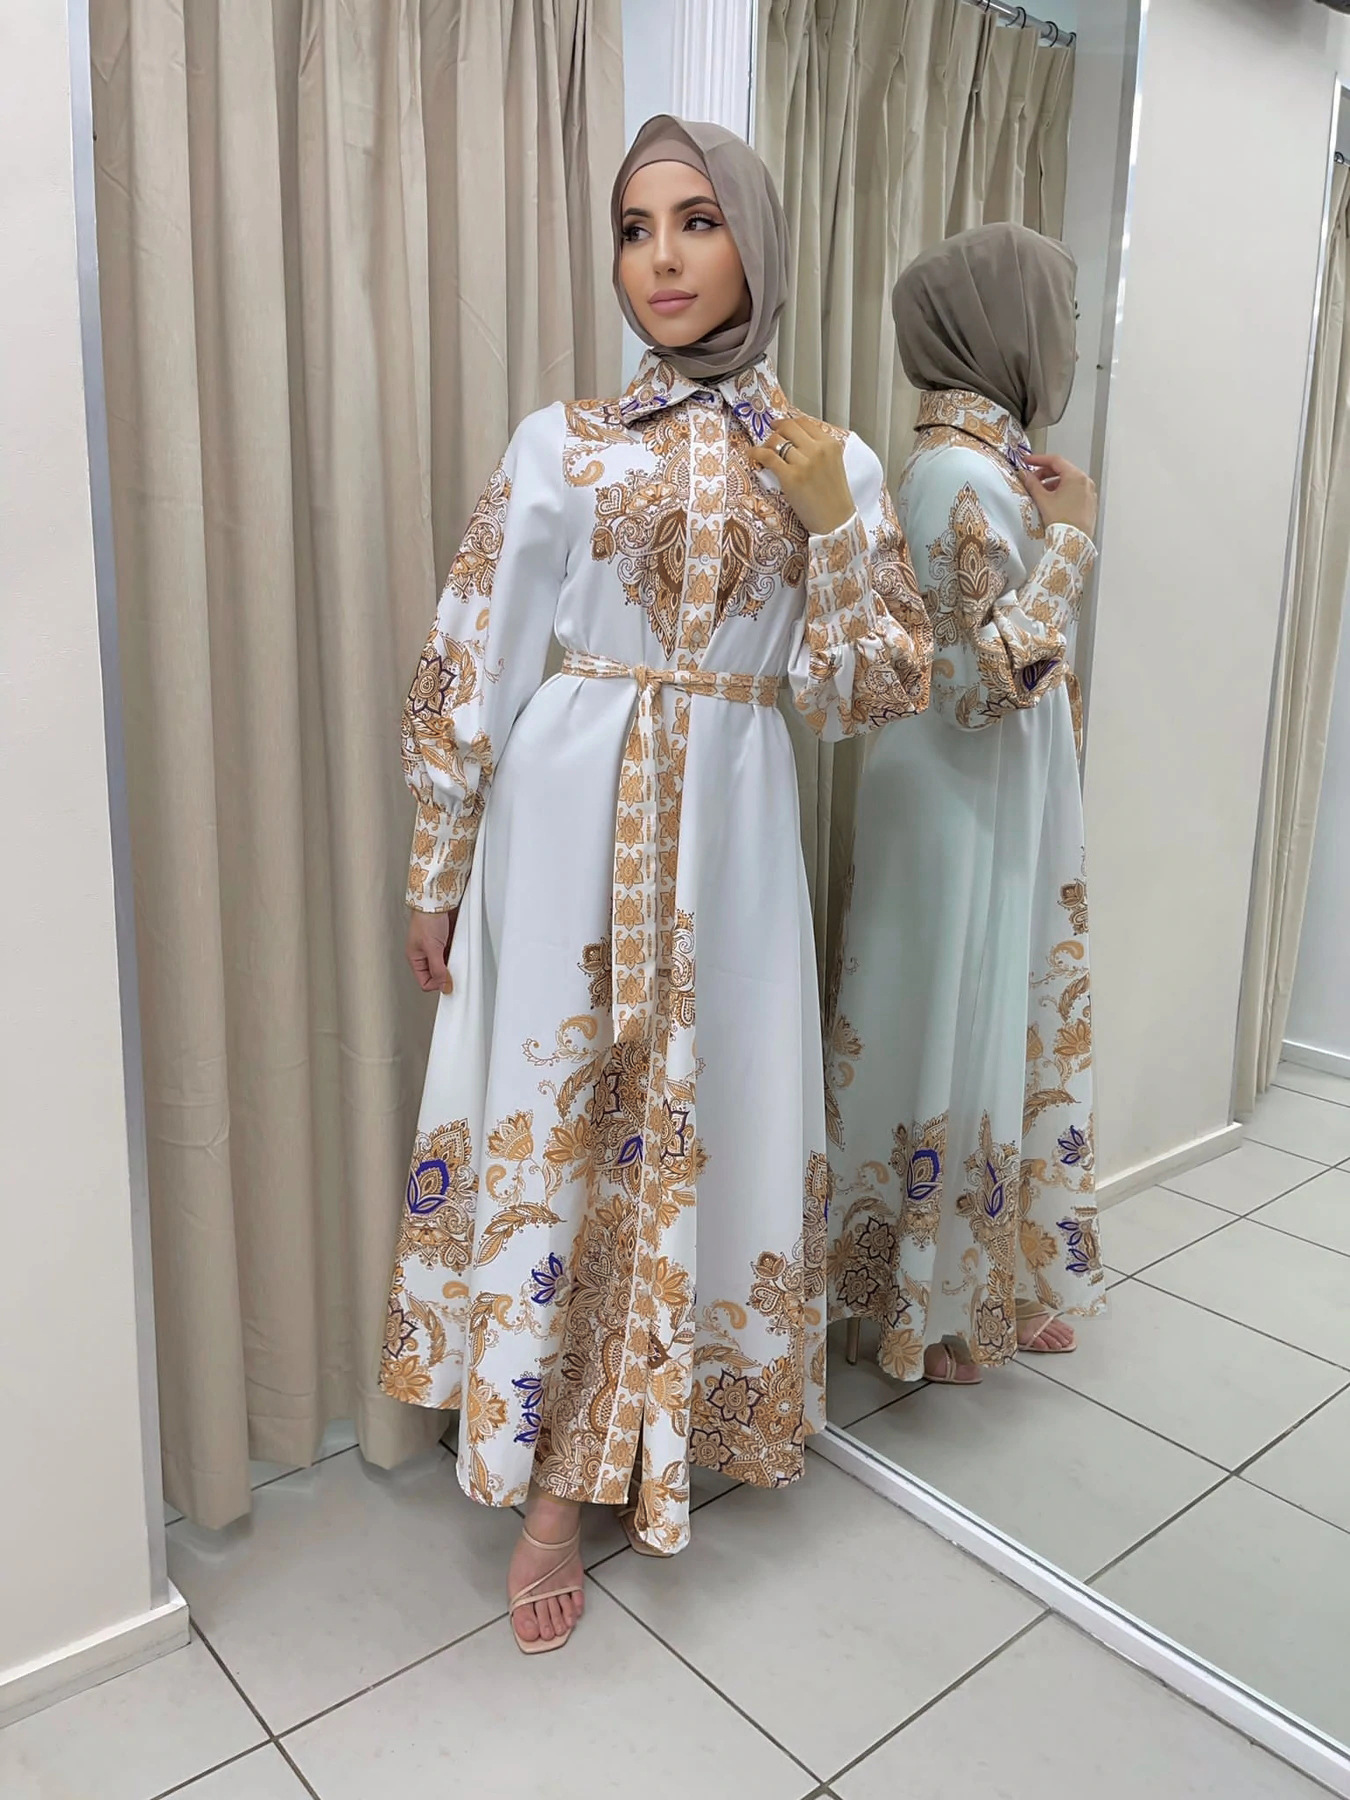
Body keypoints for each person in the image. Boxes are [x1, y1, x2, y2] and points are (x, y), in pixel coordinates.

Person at [379, 114, 931, 1653]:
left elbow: (871, 690)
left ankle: (654, 1438)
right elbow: (470, 657)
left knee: (703, 1123)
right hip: (559, 828)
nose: (663, 258)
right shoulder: (559, 443)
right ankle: (551, 1489)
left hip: (732, 840)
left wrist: (837, 525)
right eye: (635, 228)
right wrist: (436, 867)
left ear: (754, 237)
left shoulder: (831, 460)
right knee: (562, 1129)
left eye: (696, 220)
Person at [827, 222, 1106, 1391]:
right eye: (1060, 314)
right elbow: (984, 684)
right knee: (945, 1017)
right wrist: (1074, 541)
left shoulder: (991, 464)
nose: (1069, 339)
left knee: (981, 1019)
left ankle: (966, 1288)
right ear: (1003, 328)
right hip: (953, 793)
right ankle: (920, 1305)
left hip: (982, 790)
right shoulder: (953, 470)